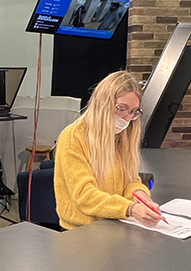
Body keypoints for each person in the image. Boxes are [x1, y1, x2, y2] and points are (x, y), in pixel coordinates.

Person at [54, 70, 162, 229]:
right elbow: (85, 196)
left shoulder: (122, 136)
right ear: (103, 104)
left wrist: (140, 195)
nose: (127, 119)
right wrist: (130, 208)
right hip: (80, 233)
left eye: (133, 112)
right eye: (121, 108)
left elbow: (131, 180)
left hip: (114, 224)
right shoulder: (73, 137)